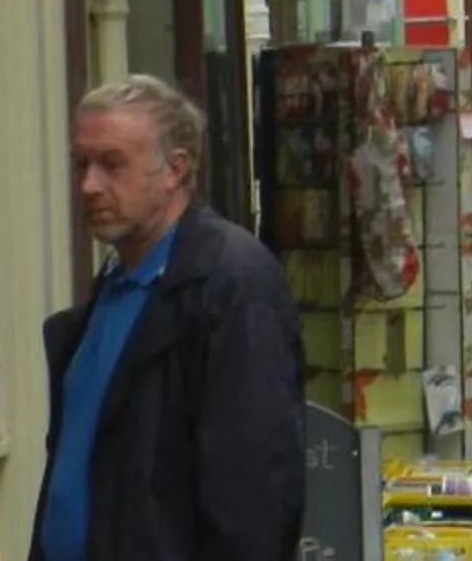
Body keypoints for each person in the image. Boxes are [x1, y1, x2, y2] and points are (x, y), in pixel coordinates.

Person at [30, 75, 304, 561]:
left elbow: (253, 492)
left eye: (113, 165)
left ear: (175, 169)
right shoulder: (116, 285)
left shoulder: (229, 283)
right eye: (82, 164)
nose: (89, 185)